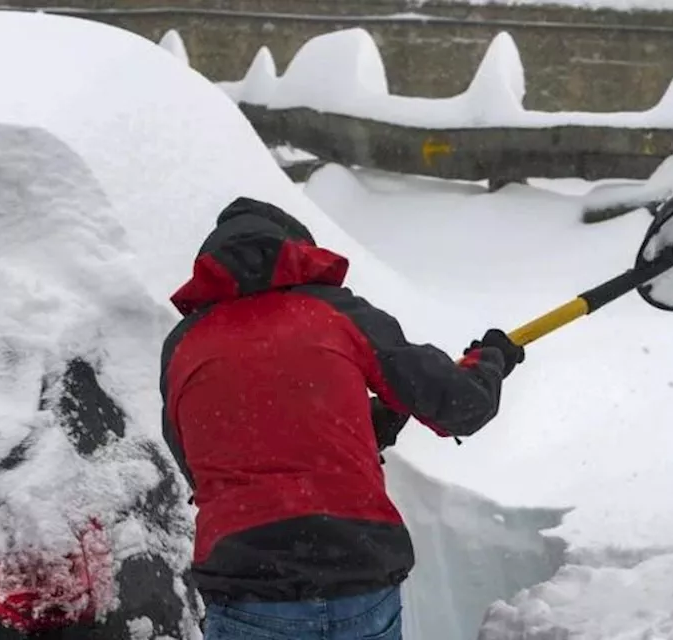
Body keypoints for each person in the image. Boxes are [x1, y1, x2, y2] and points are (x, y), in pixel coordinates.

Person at [159, 197, 524, 640]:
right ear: (296, 252)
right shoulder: (332, 311)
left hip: (248, 586)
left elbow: (206, 460)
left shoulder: (183, 345)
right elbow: (461, 404)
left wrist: (369, 425)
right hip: (356, 572)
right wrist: (490, 361)